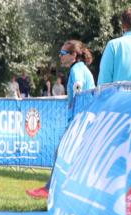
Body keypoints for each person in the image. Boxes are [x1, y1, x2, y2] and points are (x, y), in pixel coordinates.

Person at [26, 40, 95, 200]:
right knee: (67, 154)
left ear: (74, 55)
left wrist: (76, 120)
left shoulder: (77, 69)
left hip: (80, 121)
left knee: (62, 152)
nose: (60, 56)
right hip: (84, 119)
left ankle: (51, 189)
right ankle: (58, 190)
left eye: (63, 54)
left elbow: (78, 86)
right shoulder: (80, 68)